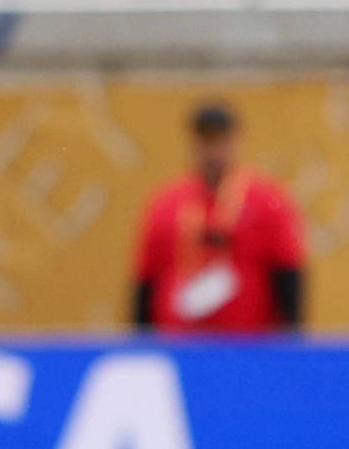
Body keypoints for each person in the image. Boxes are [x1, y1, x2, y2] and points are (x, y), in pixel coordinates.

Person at [129, 99, 307, 333]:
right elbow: (146, 283)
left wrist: (290, 343)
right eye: (206, 142)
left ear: (236, 141)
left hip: (247, 345)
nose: (213, 152)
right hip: (179, 344)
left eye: (221, 141)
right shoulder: (166, 204)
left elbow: (288, 274)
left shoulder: (266, 201)